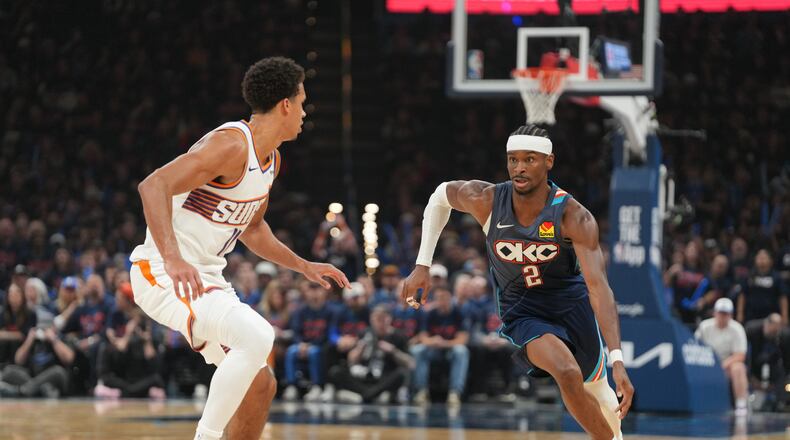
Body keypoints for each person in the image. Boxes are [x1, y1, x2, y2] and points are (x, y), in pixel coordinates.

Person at [128, 57, 349, 440]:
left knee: (260, 384)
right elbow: (153, 185)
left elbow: (254, 228)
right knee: (258, 336)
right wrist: (173, 257)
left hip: (206, 278)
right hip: (162, 273)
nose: (303, 112)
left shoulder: (272, 161)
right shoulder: (230, 145)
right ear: (285, 104)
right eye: (302, 101)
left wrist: (302, 265)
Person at [401, 125, 633, 440]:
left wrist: (617, 358)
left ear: (549, 161)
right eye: (513, 160)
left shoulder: (574, 216)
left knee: (600, 394)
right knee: (566, 372)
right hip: (524, 310)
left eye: (529, 160)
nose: (519, 168)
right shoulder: (486, 200)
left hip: (570, 304)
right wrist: (422, 265)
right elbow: (439, 197)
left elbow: (599, 288)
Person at [328, 305, 414, 403]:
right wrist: (360, 348)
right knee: (335, 371)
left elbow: (410, 363)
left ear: (390, 319)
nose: (379, 323)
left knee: (402, 374)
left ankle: (364, 395)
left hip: (384, 378)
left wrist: (393, 351)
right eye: (376, 319)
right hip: (363, 376)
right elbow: (352, 360)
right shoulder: (365, 333)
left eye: (382, 318)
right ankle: (373, 395)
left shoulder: (399, 336)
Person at [410, 286, 469, 406]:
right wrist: (433, 341)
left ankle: (455, 392)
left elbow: (463, 339)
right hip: (434, 350)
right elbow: (423, 337)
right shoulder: (430, 314)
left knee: (461, 351)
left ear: (451, 298)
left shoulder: (458, 313)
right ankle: (421, 391)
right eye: (439, 298)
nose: (442, 301)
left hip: (450, 350)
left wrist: (445, 343)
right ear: (435, 300)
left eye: (445, 298)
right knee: (417, 350)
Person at [695, 298, 749, 415]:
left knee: (738, 367)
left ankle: (741, 404)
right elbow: (695, 347)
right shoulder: (704, 327)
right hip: (707, 364)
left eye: (726, 313)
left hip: (726, 366)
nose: (723, 316)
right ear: (715, 313)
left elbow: (740, 355)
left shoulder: (737, 329)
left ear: (731, 315)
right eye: (720, 313)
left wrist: (722, 365)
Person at [282, 281, 335, 401]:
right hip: (302, 345)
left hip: (320, 345)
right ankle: (292, 385)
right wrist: (301, 344)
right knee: (291, 351)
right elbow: (296, 331)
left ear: (324, 292)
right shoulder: (300, 311)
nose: (315, 294)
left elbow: (329, 334)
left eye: (318, 290)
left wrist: (311, 345)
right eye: (312, 290)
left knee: (314, 352)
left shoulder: (331, 311)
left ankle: (317, 386)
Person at [736, 249, 789, 324]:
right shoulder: (749, 276)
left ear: (770, 261)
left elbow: (782, 297)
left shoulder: (776, 277)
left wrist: (785, 316)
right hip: (751, 316)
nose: (761, 260)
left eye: (764, 258)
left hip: (771, 317)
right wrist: (740, 313)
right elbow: (742, 295)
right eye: (759, 258)